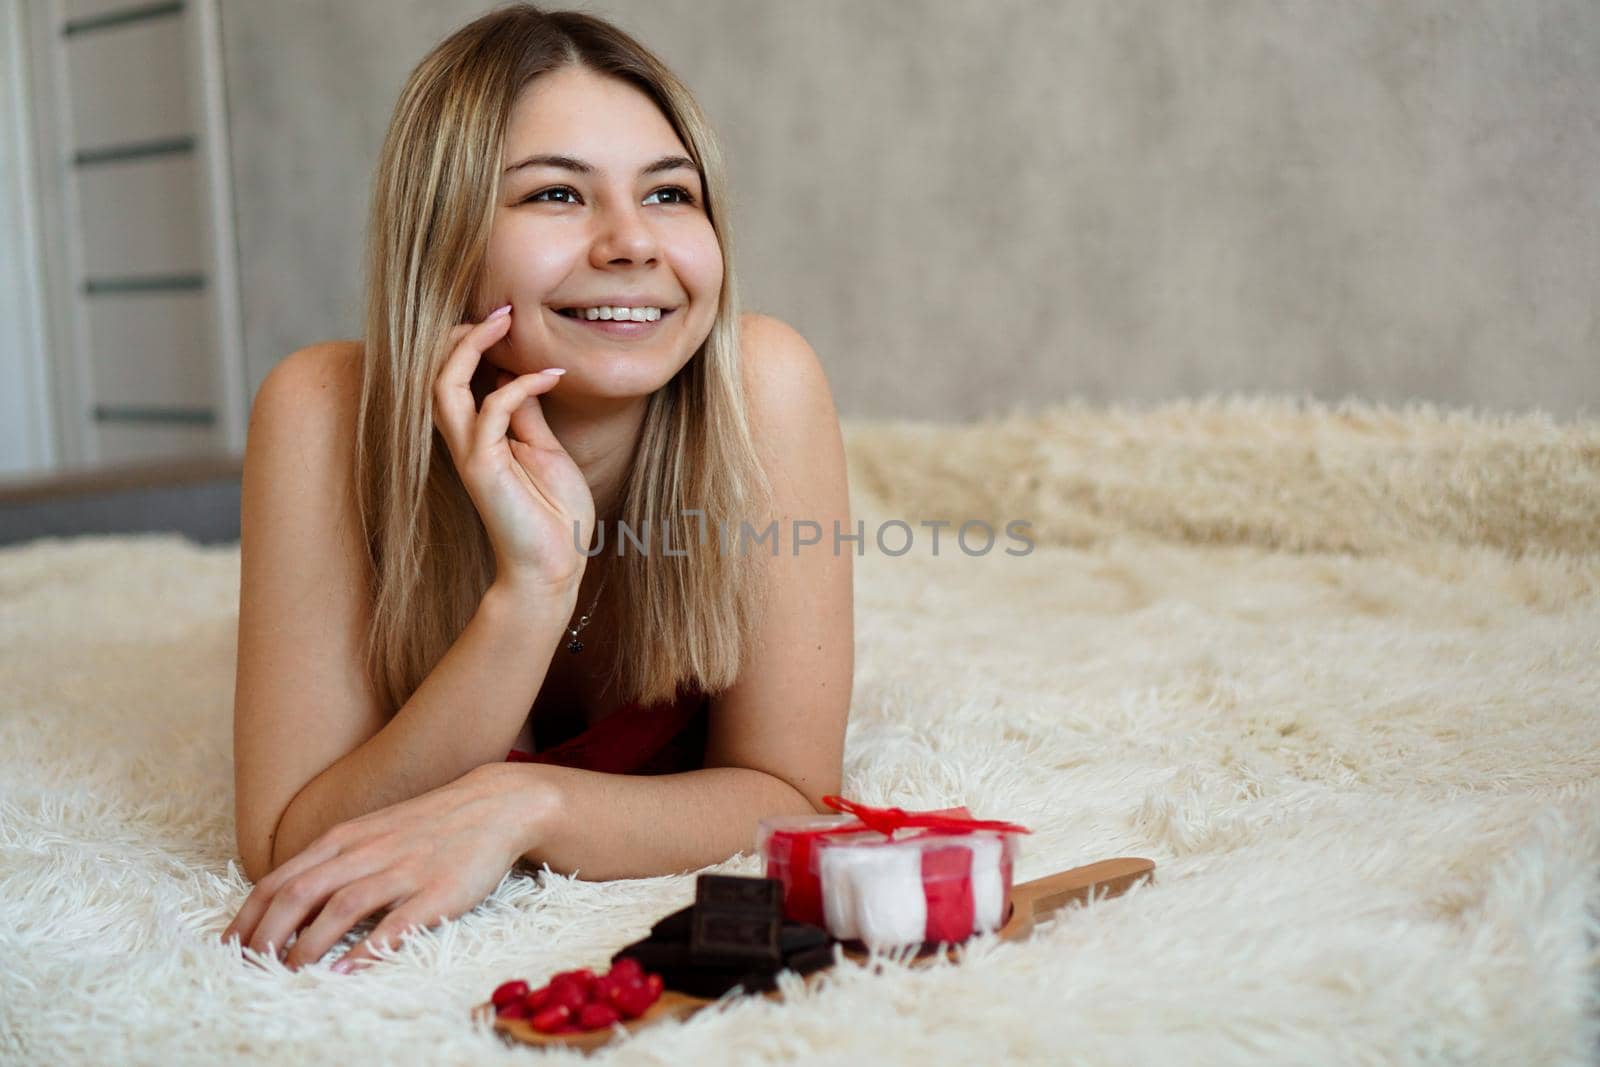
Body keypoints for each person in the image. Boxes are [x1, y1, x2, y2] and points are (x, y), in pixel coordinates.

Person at [219, 3, 853, 974]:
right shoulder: (320, 406)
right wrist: (528, 593)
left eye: (670, 195)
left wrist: (527, 805)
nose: (632, 242)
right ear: (446, 237)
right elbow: (286, 843)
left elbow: (793, 796)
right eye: (557, 196)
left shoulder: (764, 383)